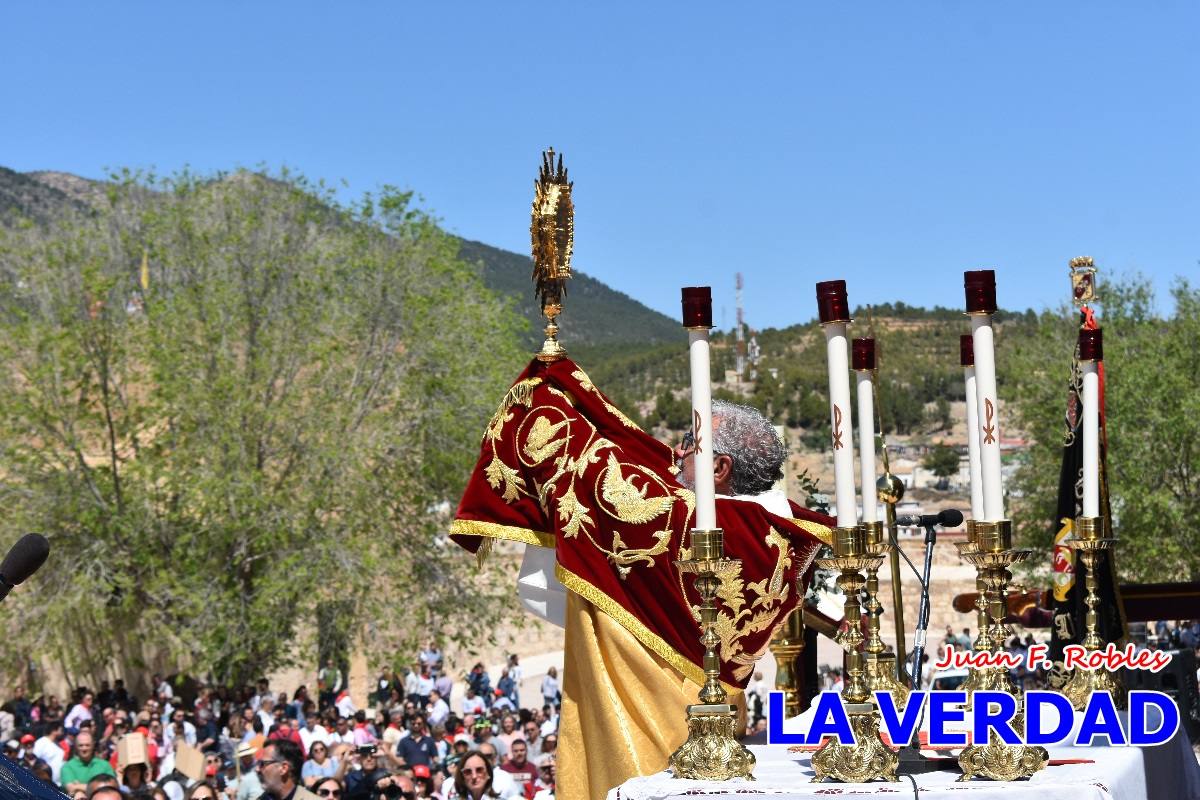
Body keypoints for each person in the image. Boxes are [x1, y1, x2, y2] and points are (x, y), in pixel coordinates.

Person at [62, 730, 117, 794]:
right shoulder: (68, 767)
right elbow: (70, 788)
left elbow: (112, 787)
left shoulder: (105, 765)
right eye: (81, 745)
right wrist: (101, 787)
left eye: (87, 745)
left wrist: (78, 787)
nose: (84, 748)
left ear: (93, 745)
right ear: (76, 747)